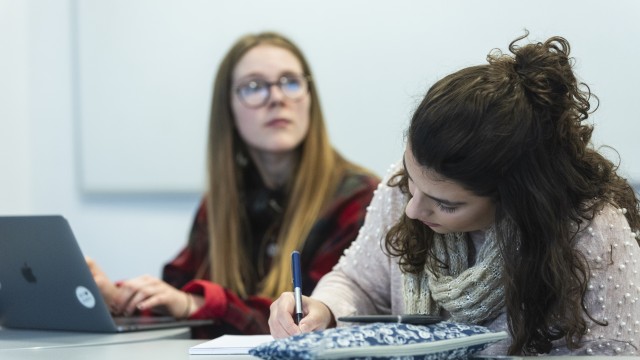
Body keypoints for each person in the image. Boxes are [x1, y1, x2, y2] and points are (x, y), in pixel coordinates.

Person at [268, 33, 640, 356]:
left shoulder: (590, 226)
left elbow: (616, 352)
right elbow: (357, 281)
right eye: (413, 178)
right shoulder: (401, 188)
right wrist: (324, 308)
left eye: (447, 204)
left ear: (518, 198)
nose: (413, 209)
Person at [87, 32, 379, 339]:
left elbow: (310, 320)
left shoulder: (358, 199)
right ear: (228, 109)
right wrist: (116, 299)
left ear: (310, 98)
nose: (277, 98)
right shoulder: (222, 202)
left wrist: (194, 303)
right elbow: (175, 294)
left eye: (290, 81)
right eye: (254, 86)